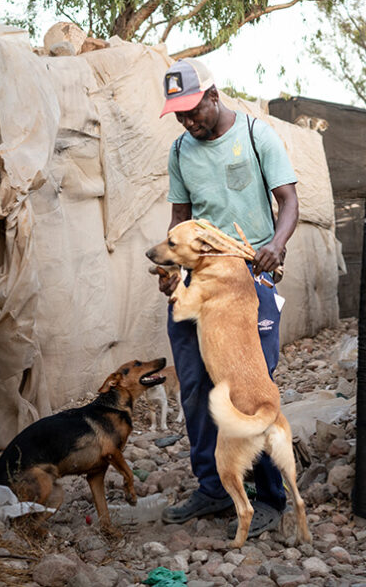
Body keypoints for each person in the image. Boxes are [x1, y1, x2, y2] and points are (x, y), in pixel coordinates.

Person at [155, 58, 299, 538]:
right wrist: (171, 270)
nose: (188, 121)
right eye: (179, 114)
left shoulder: (258, 137)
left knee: (252, 388)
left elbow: (290, 202)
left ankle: (272, 499)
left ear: (214, 97)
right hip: (199, 283)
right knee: (196, 387)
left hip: (248, 279)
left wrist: (275, 245)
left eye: (193, 110)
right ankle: (215, 488)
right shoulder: (180, 152)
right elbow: (179, 217)